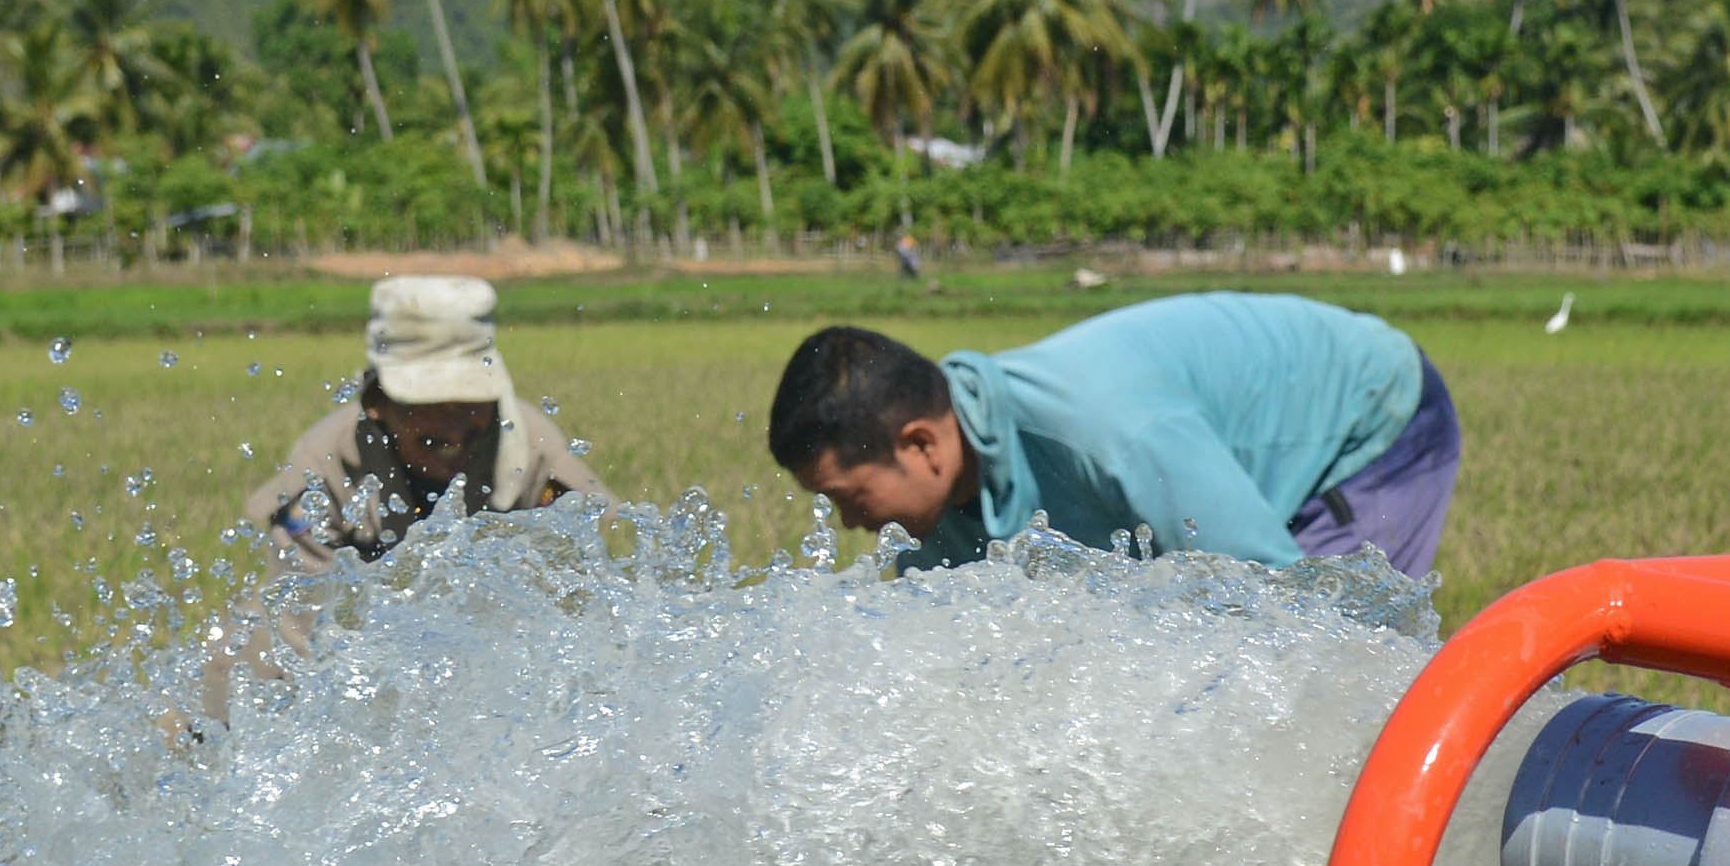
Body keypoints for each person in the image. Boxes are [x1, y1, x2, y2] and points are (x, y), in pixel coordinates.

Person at [766, 290, 1462, 581]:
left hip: (1364, 427)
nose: (850, 524)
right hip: (1220, 457)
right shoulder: (934, 518)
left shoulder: (1108, 433)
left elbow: (1274, 588)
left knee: (1332, 666)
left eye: (849, 497)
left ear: (921, 444)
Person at [237, 275, 606, 569]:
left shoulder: (535, 453)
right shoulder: (323, 470)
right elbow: (302, 626)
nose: (453, 430)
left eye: (470, 402)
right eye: (430, 406)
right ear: (377, 402)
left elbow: (580, 600)